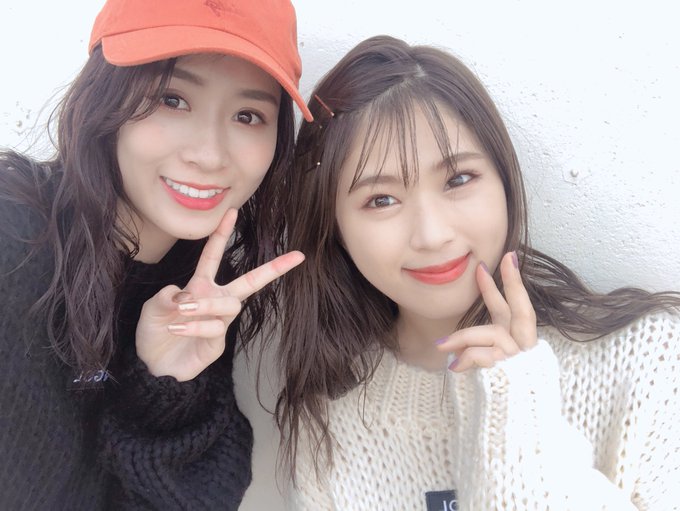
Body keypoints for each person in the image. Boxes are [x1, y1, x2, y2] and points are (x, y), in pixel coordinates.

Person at [276, 35, 680, 510]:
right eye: (381, 200)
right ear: (335, 229)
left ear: (504, 180)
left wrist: (519, 418)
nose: (431, 235)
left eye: (458, 179)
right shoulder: (330, 422)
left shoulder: (647, 360)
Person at [0, 0, 312, 509]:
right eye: (172, 99)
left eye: (248, 115)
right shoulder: (12, 240)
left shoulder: (202, 286)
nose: (209, 154)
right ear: (104, 98)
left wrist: (164, 387)